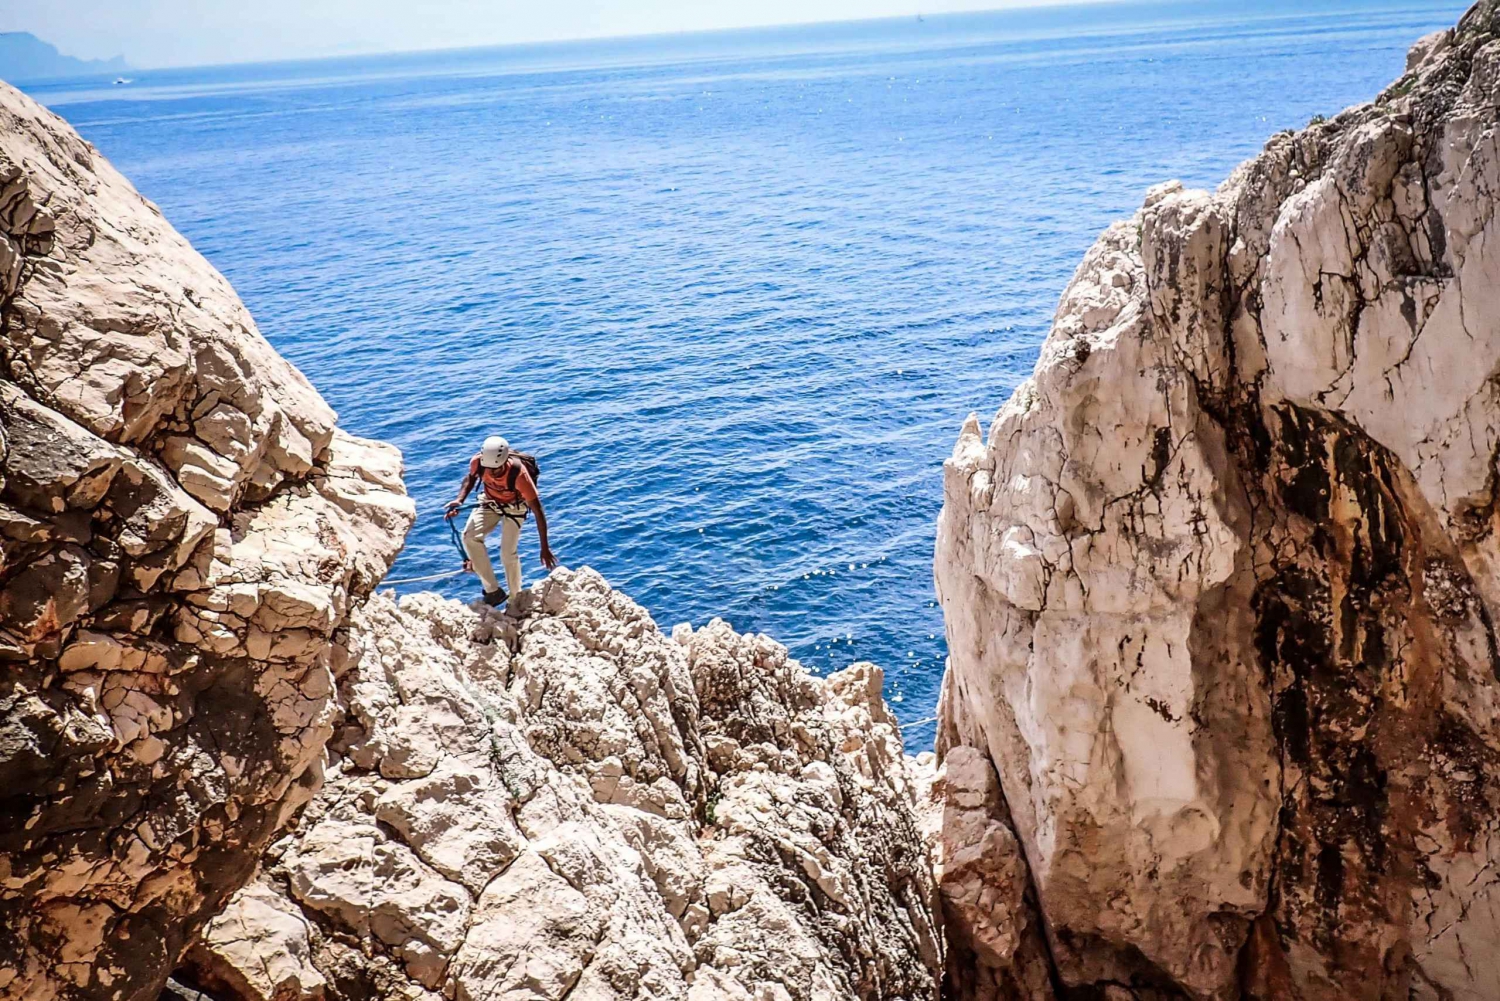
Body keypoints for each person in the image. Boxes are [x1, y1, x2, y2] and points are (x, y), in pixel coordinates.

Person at [445, 435, 557, 607]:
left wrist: (544, 547)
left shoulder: (518, 474)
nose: (491, 473)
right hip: (489, 502)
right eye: (488, 468)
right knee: (469, 537)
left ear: (504, 462)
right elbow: (471, 478)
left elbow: (538, 510)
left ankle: (515, 598)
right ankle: (493, 592)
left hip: (515, 508)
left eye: (496, 470)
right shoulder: (478, 462)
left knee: (508, 554)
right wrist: (459, 500)